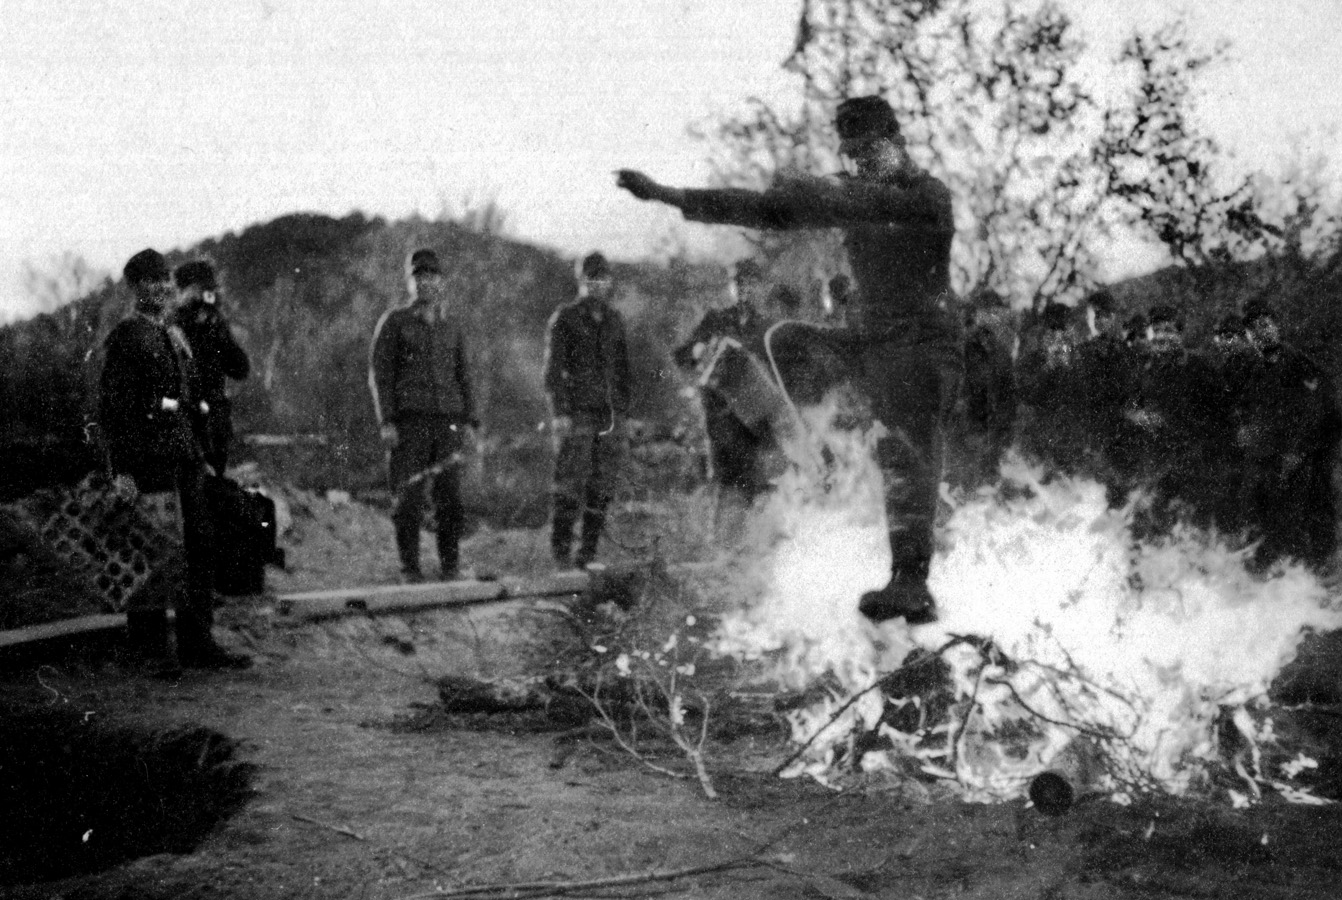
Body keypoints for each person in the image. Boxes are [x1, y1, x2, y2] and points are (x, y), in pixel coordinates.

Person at [618, 94, 962, 624]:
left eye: (870, 152)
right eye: (852, 156)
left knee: (907, 437)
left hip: (924, 349)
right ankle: (823, 451)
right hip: (868, 343)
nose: (861, 165)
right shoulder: (850, 190)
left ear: (896, 143)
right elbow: (767, 209)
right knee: (786, 342)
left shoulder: (926, 196)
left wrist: (824, 189)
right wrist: (669, 195)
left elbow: (867, 203)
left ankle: (911, 583)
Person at [99, 248, 251, 670]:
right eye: (151, 280)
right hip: (148, 462)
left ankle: (197, 643)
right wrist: (120, 471)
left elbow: (187, 401)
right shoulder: (127, 337)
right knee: (150, 553)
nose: (161, 287)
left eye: (165, 279)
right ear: (134, 288)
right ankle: (149, 652)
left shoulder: (173, 335)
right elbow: (113, 410)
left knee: (199, 550)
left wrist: (199, 455)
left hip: (184, 459)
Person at [369, 248, 478, 582]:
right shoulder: (395, 322)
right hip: (410, 423)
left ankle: (450, 566)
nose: (425, 283)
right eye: (419, 277)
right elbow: (380, 374)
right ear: (410, 282)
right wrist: (387, 421)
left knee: (451, 498)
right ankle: (410, 567)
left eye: (431, 276)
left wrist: (471, 421)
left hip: (448, 422)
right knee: (408, 497)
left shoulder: (452, 327)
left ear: (441, 281)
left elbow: (464, 375)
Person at [672, 260, 778, 542]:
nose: (745, 290)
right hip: (720, 414)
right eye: (739, 284)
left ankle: (751, 545)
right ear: (731, 287)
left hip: (754, 415)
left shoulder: (766, 327)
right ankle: (717, 542)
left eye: (751, 284)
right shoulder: (715, 320)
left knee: (755, 478)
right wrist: (698, 348)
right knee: (725, 477)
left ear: (759, 288)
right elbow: (682, 355)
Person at [543, 252, 632, 569]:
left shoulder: (614, 320)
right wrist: (560, 413)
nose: (597, 285)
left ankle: (589, 553)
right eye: (591, 278)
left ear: (609, 283)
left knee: (602, 483)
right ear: (581, 281)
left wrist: (622, 412)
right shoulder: (565, 318)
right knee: (569, 481)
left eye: (602, 279)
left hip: (608, 416)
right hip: (577, 411)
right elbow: (553, 372)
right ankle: (561, 551)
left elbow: (623, 371)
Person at [1237, 299, 1341, 569]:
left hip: (1308, 453)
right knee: (1277, 516)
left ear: (1276, 326)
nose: (1260, 333)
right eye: (1252, 330)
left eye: (1265, 325)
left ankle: (1323, 571)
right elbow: (1252, 410)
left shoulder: (1299, 363)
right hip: (1274, 456)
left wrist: (1301, 450)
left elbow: (1322, 409)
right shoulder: (1256, 370)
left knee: (1315, 512)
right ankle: (1287, 570)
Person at [170, 259, 250, 475]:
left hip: (216, 424)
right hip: (186, 424)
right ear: (184, 291)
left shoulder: (215, 326)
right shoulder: (173, 327)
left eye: (209, 289)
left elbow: (241, 369)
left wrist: (218, 333)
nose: (206, 296)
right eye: (199, 290)